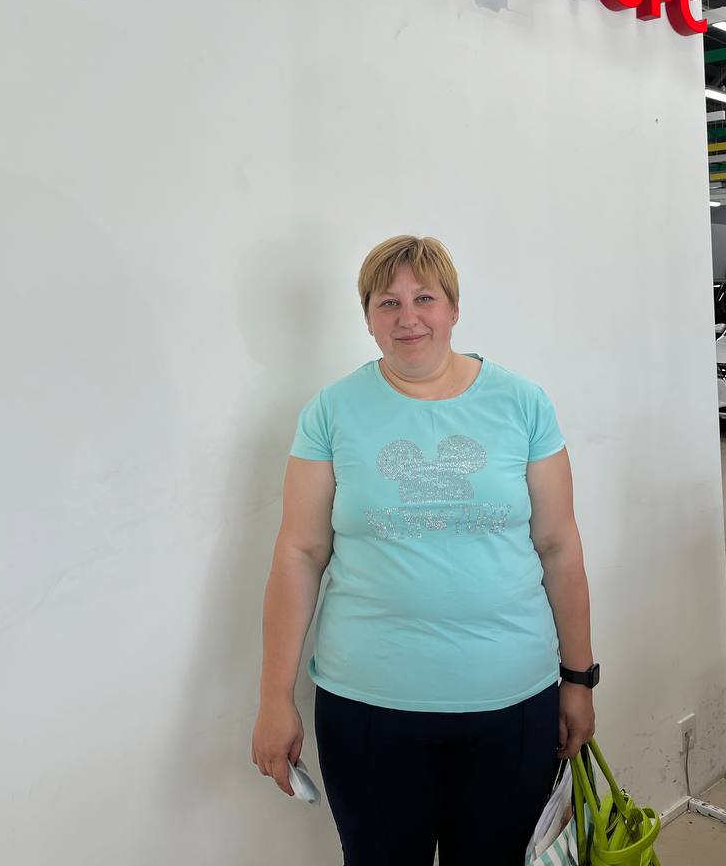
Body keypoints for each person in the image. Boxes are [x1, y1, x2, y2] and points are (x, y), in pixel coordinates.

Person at [251, 235, 596, 866]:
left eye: (424, 299)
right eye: (388, 302)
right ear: (367, 317)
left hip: (512, 702)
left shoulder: (522, 403)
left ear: (454, 308)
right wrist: (275, 698)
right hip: (368, 707)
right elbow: (299, 553)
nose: (407, 317)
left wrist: (578, 679)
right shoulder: (331, 411)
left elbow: (558, 545)